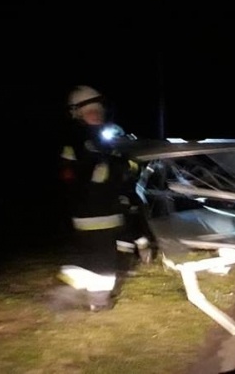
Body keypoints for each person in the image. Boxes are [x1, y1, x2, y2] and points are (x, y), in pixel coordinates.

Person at [57, 85, 140, 311]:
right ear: (77, 114)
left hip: (112, 211)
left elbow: (129, 168)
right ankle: (98, 300)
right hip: (91, 213)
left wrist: (127, 165)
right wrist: (92, 174)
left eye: (98, 111)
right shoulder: (76, 142)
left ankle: (78, 286)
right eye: (90, 112)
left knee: (110, 253)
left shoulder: (111, 139)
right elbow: (68, 174)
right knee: (102, 261)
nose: (96, 115)